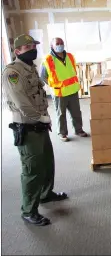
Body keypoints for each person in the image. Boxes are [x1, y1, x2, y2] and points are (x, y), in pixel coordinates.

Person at [3, 34, 68, 226]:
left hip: (40, 125)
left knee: (47, 163)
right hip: (27, 127)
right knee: (32, 170)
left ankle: (46, 194)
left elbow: (38, 96)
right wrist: (42, 117)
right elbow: (22, 104)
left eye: (33, 45)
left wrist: (44, 119)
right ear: (17, 51)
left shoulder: (30, 69)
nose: (32, 49)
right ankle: (28, 210)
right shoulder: (12, 73)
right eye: (27, 47)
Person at [40, 37, 88, 142]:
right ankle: (63, 133)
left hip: (72, 90)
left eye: (61, 43)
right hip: (59, 92)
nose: (60, 45)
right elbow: (43, 76)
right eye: (57, 43)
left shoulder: (70, 56)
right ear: (52, 46)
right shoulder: (48, 59)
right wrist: (53, 85)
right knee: (61, 114)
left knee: (76, 113)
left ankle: (79, 130)